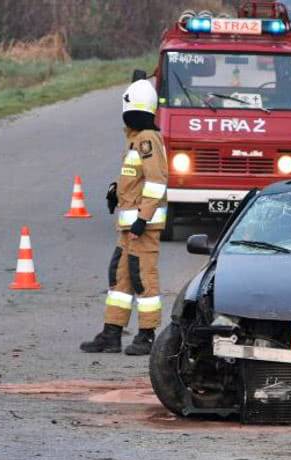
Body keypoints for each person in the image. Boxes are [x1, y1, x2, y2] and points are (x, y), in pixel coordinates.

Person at [81, 79, 168, 356]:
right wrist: (114, 192)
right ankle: (111, 333)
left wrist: (143, 219)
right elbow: (134, 179)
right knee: (120, 278)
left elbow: (156, 181)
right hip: (128, 227)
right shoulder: (134, 139)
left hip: (143, 227)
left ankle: (147, 335)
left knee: (143, 279)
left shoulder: (147, 140)